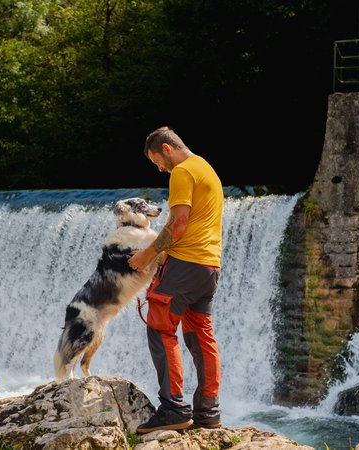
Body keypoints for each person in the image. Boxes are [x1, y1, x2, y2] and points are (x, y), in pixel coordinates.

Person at [128, 126, 223, 432]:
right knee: (200, 338)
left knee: (160, 329)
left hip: (185, 265)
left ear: (167, 149)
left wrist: (147, 254)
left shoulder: (182, 172)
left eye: (157, 161)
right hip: (209, 268)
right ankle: (208, 413)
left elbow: (179, 224)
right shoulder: (206, 168)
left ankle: (174, 408)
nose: (158, 168)